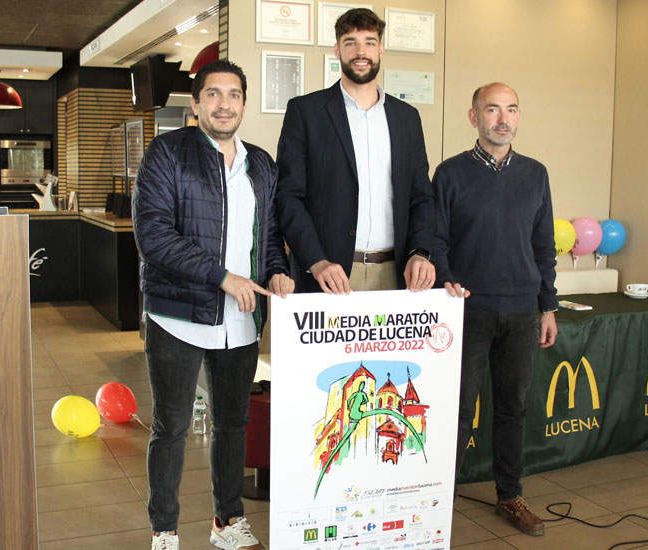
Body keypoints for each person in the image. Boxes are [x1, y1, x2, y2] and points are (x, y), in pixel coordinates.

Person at [133, 60, 294, 550]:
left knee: (232, 424)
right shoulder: (167, 153)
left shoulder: (261, 164)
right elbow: (154, 236)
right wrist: (221, 277)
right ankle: (164, 531)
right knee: (172, 427)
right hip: (177, 316)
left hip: (240, 323)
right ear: (198, 102)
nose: (224, 104)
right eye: (214, 94)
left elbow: (266, 238)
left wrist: (276, 270)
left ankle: (228, 522)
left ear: (244, 103)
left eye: (233, 95)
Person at [434, 83, 559, 537]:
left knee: (512, 408)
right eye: (492, 109)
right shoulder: (450, 174)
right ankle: (438, 501)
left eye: (510, 109)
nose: (502, 118)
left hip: (523, 311)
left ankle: (511, 495)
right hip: (468, 311)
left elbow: (544, 246)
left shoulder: (535, 174)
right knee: (458, 410)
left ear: (519, 117)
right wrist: (447, 281)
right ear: (474, 117)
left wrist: (548, 305)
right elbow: (437, 241)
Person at [276, 7, 435, 294]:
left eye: (369, 42)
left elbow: (421, 196)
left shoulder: (406, 118)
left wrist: (420, 251)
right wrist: (316, 261)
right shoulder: (306, 112)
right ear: (337, 50)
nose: (361, 52)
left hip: (396, 274)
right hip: (328, 276)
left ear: (381, 49)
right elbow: (289, 196)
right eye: (351, 43)